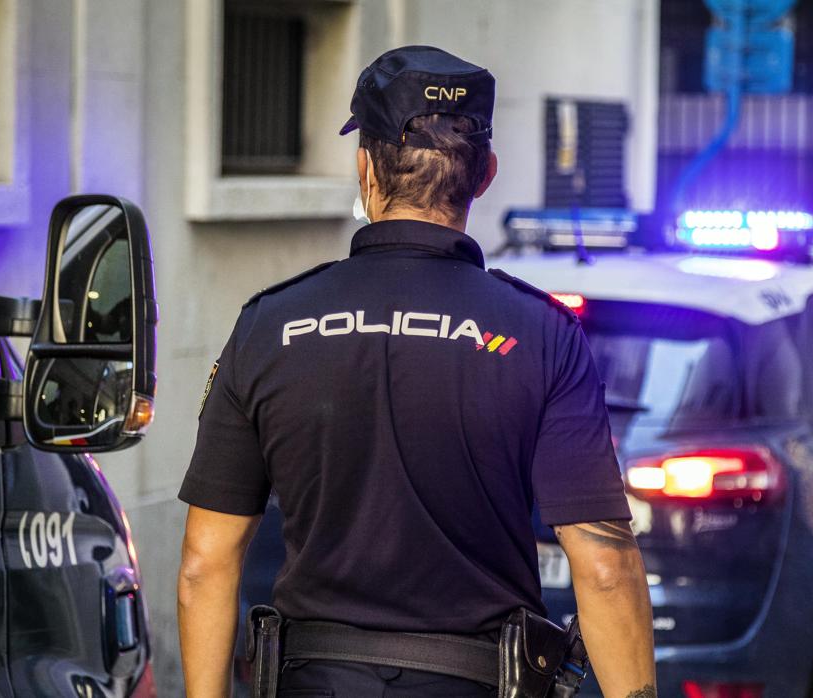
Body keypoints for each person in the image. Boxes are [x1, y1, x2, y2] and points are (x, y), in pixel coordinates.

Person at [176, 45, 655, 698]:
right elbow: (603, 569)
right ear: (484, 174)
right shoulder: (543, 334)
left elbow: (206, 562)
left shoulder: (269, 323)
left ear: (365, 167)